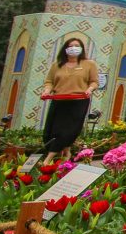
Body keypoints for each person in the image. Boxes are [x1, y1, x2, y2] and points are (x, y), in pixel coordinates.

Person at [41, 37, 98, 165]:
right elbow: (49, 82)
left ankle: (48, 159)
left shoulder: (89, 64)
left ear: (81, 49)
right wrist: (46, 91)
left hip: (78, 101)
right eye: (71, 46)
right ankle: (67, 153)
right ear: (65, 49)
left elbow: (94, 82)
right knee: (54, 130)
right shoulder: (57, 65)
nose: (74, 48)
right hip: (59, 100)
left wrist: (89, 89)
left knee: (68, 130)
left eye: (77, 46)